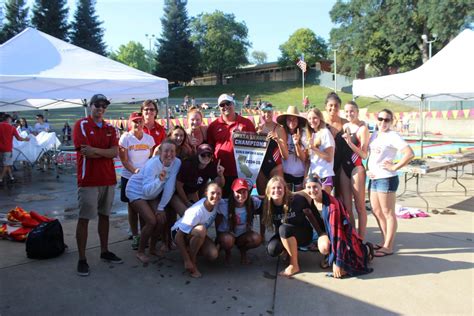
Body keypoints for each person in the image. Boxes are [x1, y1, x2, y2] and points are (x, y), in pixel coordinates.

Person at [73, 94, 122, 276]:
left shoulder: (110, 128)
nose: (100, 108)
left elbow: (115, 152)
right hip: (89, 181)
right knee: (84, 218)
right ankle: (82, 258)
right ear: (90, 106)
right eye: (97, 105)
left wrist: (96, 150)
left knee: (105, 216)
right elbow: (86, 152)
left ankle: (104, 251)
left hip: (108, 179)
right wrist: (104, 152)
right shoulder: (82, 125)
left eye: (104, 106)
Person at [302, 175, 374, 278]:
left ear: (321, 186)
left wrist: (337, 262)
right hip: (328, 233)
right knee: (324, 246)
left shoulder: (332, 206)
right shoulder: (310, 199)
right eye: (308, 187)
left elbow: (338, 235)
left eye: (315, 186)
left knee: (345, 266)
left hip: (344, 237)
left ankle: (365, 250)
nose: (312, 190)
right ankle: (330, 255)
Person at [367, 109, 414, 257]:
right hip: (374, 177)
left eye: (387, 120)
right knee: (376, 211)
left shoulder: (393, 136)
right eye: (381, 119)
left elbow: (410, 153)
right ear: (377, 119)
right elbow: (372, 155)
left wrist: (394, 167)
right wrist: (369, 168)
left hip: (386, 178)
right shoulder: (374, 134)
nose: (383, 122)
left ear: (391, 122)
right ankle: (384, 240)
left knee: (388, 213)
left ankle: (389, 246)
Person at [126, 139, 181, 263]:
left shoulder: (176, 162)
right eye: (166, 151)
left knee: (162, 219)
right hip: (136, 190)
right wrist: (160, 180)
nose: (169, 154)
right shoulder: (152, 164)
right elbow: (146, 192)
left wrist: (161, 207)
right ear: (159, 152)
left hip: (153, 193)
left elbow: (170, 186)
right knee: (151, 221)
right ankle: (140, 251)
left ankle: (152, 248)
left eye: (172, 151)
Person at [262, 176, 315, 277]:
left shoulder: (297, 200)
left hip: (303, 234)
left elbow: (314, 215)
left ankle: (294, 264)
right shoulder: (267, 205)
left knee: (284, 228)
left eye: (279, 188)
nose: (276, 190)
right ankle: (288, 250)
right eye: (273, 188)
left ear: (285, 189)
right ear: (268, 191)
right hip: (284, 234)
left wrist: (321, 233)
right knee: (272, 249)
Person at [118, 112, 155, 250]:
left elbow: (151, 158)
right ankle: (135, 235)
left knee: (143, 205)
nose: (138, 124)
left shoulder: (149, 139)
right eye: (135, 121)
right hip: (129, 176)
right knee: (132, 207)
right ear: (130, 123)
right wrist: (135, 171)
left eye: (140, 121)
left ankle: (144, 233)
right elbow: (124, 160)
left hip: (144, 178)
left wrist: (147, 173)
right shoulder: (125, 138)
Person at [207, 94, 256, 197]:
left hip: (242, 171)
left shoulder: (246, 123)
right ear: (219, 108)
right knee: (222, 202)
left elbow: (255, 146)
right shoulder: (213, 126)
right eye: (222, 105)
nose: (225, 106)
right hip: (221, 172)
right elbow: (210, 147)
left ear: (233, 104)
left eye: (228, 103)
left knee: (240, 202)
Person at [171, 182, 222, 278]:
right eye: (212, 193)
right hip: (177, 233)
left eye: (219, 193)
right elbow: (178, 236)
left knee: (213, 254)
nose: (216, 196)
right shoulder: (197, 211)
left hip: (195, 232)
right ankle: (192, 261)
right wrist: (187, 260)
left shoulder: (217, 204)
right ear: (206, 193)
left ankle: (190, 249)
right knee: (202, 230)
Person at [170, 143, 225, 217]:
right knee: (187, 216)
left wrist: (220, 175)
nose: (206, 157)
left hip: (191, 192)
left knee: (199, 215)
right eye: (203, 155)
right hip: (176, 193)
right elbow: (178, 185)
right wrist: (186, 202)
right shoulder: (188, 164)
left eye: (209, 155)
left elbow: (220, 184)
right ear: (198, 154)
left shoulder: (211, 166)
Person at [216, 178, 262, 264]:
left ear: (248, 192)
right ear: (232, 192)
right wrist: (218, 239)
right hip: (228, 234)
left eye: (244, 192)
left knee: (257, 238)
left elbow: (266, 200)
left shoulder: (253, 202)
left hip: (243, 235)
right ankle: (227, 251)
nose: (241, 195)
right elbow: (217, 222)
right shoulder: (224, 204)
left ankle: (243, 251)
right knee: (227, 240)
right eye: (238, 192)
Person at [342, 101, 369, 239]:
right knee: (347, 207)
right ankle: (352, 236)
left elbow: (364, 155)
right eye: (346, 111)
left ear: (357, 112)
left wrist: (350, 144)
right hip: (344, 168)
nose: (349, 114)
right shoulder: (345, 126)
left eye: (352, 111)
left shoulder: (362, 129)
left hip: (356, 168)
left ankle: (361, 238)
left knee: (359, 206)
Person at [323, 92, 353, 217]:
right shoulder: (321, 124)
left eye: (336, 106)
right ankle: (330, 229)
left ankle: (349, 232)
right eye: (330, 105)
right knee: (326, 202)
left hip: (342, 165)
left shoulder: (346, 123)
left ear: (339, 107)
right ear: (326, 107)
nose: (333, 108)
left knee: (344, 202)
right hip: (327, 166)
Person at [255, 102, 287, 195]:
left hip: (275, 167)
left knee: (278, 197)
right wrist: (257, 136)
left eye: (269, 112)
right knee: (262, 198)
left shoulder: (279, 129)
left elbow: (285, 155)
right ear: (260, 113)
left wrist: (277, 139)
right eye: (264, 112)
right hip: (261, 168)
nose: (267, 114)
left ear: (272, 112)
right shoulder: (257, 128)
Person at [277, 106, 308, 192]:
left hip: (300, 173)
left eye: (294, 119)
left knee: (298, 200)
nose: (292, 121)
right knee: (287, 200)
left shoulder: (304, 133)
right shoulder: (282, 132)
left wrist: (296, 144)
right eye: (289, 119)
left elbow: (304, 158)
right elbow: (284, 156)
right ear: (285, 121)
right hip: (286, 172)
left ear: (298, 121)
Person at [306, 108, 335, 194]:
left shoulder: (325, 133)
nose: (312, 121)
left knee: (324, 205)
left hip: (324, 175)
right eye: (309, 118)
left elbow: (329, 158)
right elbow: (310, 160)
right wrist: (306, 176)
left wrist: (314, 148)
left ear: (320, 119)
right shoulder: (312, 134)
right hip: (313, 176)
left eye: (314, 118)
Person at [0, 113, 30, 184]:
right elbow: (19, 138)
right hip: (7, 149)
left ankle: (11, 177)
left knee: (7, 164)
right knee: (6, 164)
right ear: (8, 119)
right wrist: (26, 139)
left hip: (0, 148)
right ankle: (0, 178)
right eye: (10, 119)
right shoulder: (12, 127)